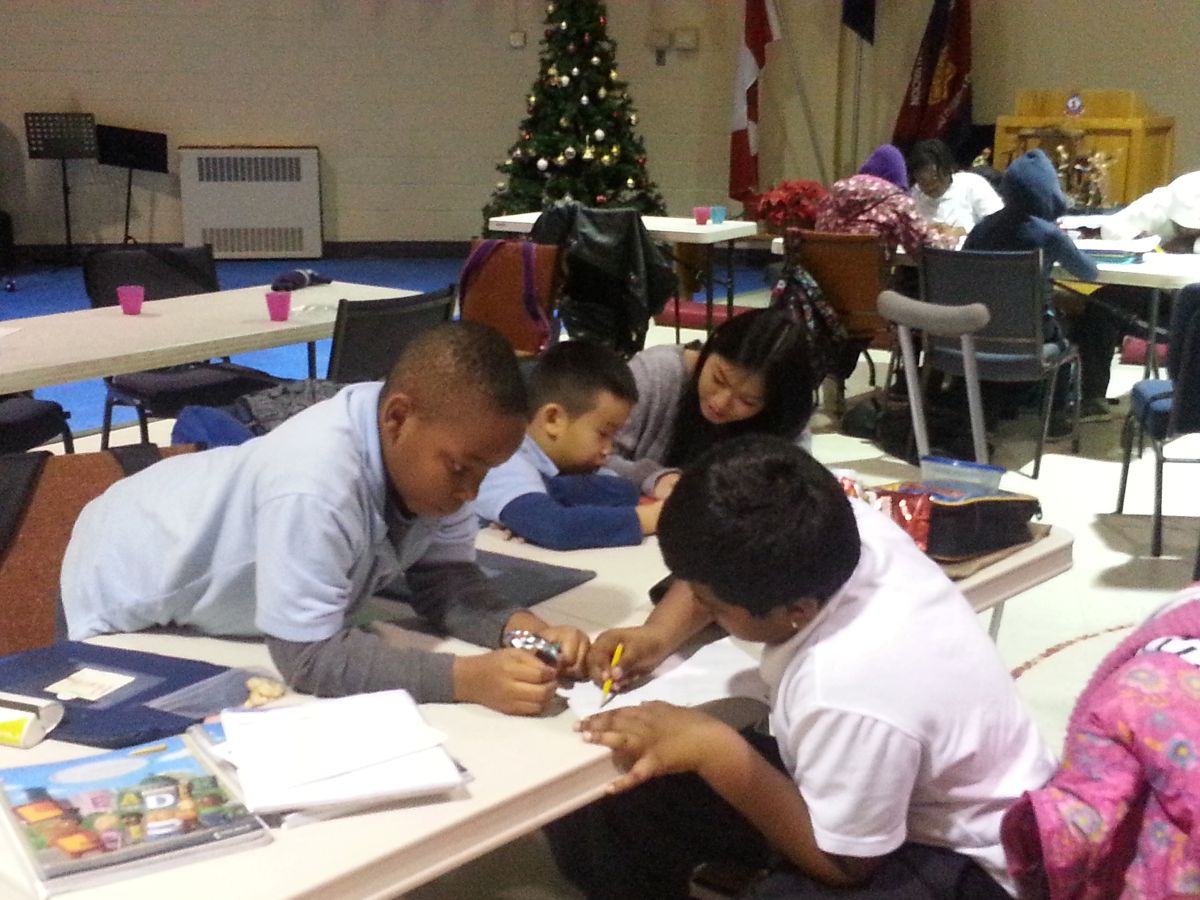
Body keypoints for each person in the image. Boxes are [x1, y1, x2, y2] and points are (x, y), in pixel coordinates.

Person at [545, 436, 1056, 899]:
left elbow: (847, 866)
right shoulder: (838, 527)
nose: (699, 606)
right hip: (921, 794)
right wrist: (657, 635)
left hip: (979, 862)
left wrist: (712, 749)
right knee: (616, 792)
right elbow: (713, 560)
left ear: (797, 611)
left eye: (712, 605)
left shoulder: (845, 684)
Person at [60, 322, 590, 716]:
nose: (470, 493)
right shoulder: (315, 483)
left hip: (211, 578)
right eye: (461, 469)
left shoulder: (437, 451)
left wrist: (531, 637)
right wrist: (466, 679)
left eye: (486, 473)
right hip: (123, 586)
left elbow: (444, 580)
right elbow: (309, 658)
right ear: (398, 418)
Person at [605, 307, 816, 503]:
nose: (720, 403)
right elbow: (591, 457)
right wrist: (650, 478)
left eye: (747, 401)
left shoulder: (787, 417)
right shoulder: (655, 373)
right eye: (718, 379)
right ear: (709, 349)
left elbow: (795, 489)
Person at [963, 148, 1104, 425]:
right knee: (1072, 326)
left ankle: (1006, 403)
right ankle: (1055, 418)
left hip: (979, 331)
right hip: (1032, 337)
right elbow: (1089, 272)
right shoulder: (1048, 234)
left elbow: (966, 269)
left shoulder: (982, 228)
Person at [474, 341, 661, 550]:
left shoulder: (568, 466)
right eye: (603, 434)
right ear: (553, 420)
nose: (608, 449)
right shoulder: (504, 461)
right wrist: (648, 519)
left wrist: (550, 495)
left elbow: (624, 492)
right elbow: (555, 526)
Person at [814, 143, 956, 256]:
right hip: (869, 281)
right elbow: (928, 249)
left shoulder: (830, 198)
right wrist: (952, 237)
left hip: (826, 281)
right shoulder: (895, 202)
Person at [907, 138, 1003, 236]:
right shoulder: (915, 196)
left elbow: (999, 225)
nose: (930, 187)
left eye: (935, 177)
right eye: (922, 181)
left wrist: (963, 232)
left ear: (948, 169)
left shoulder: (973, 184)